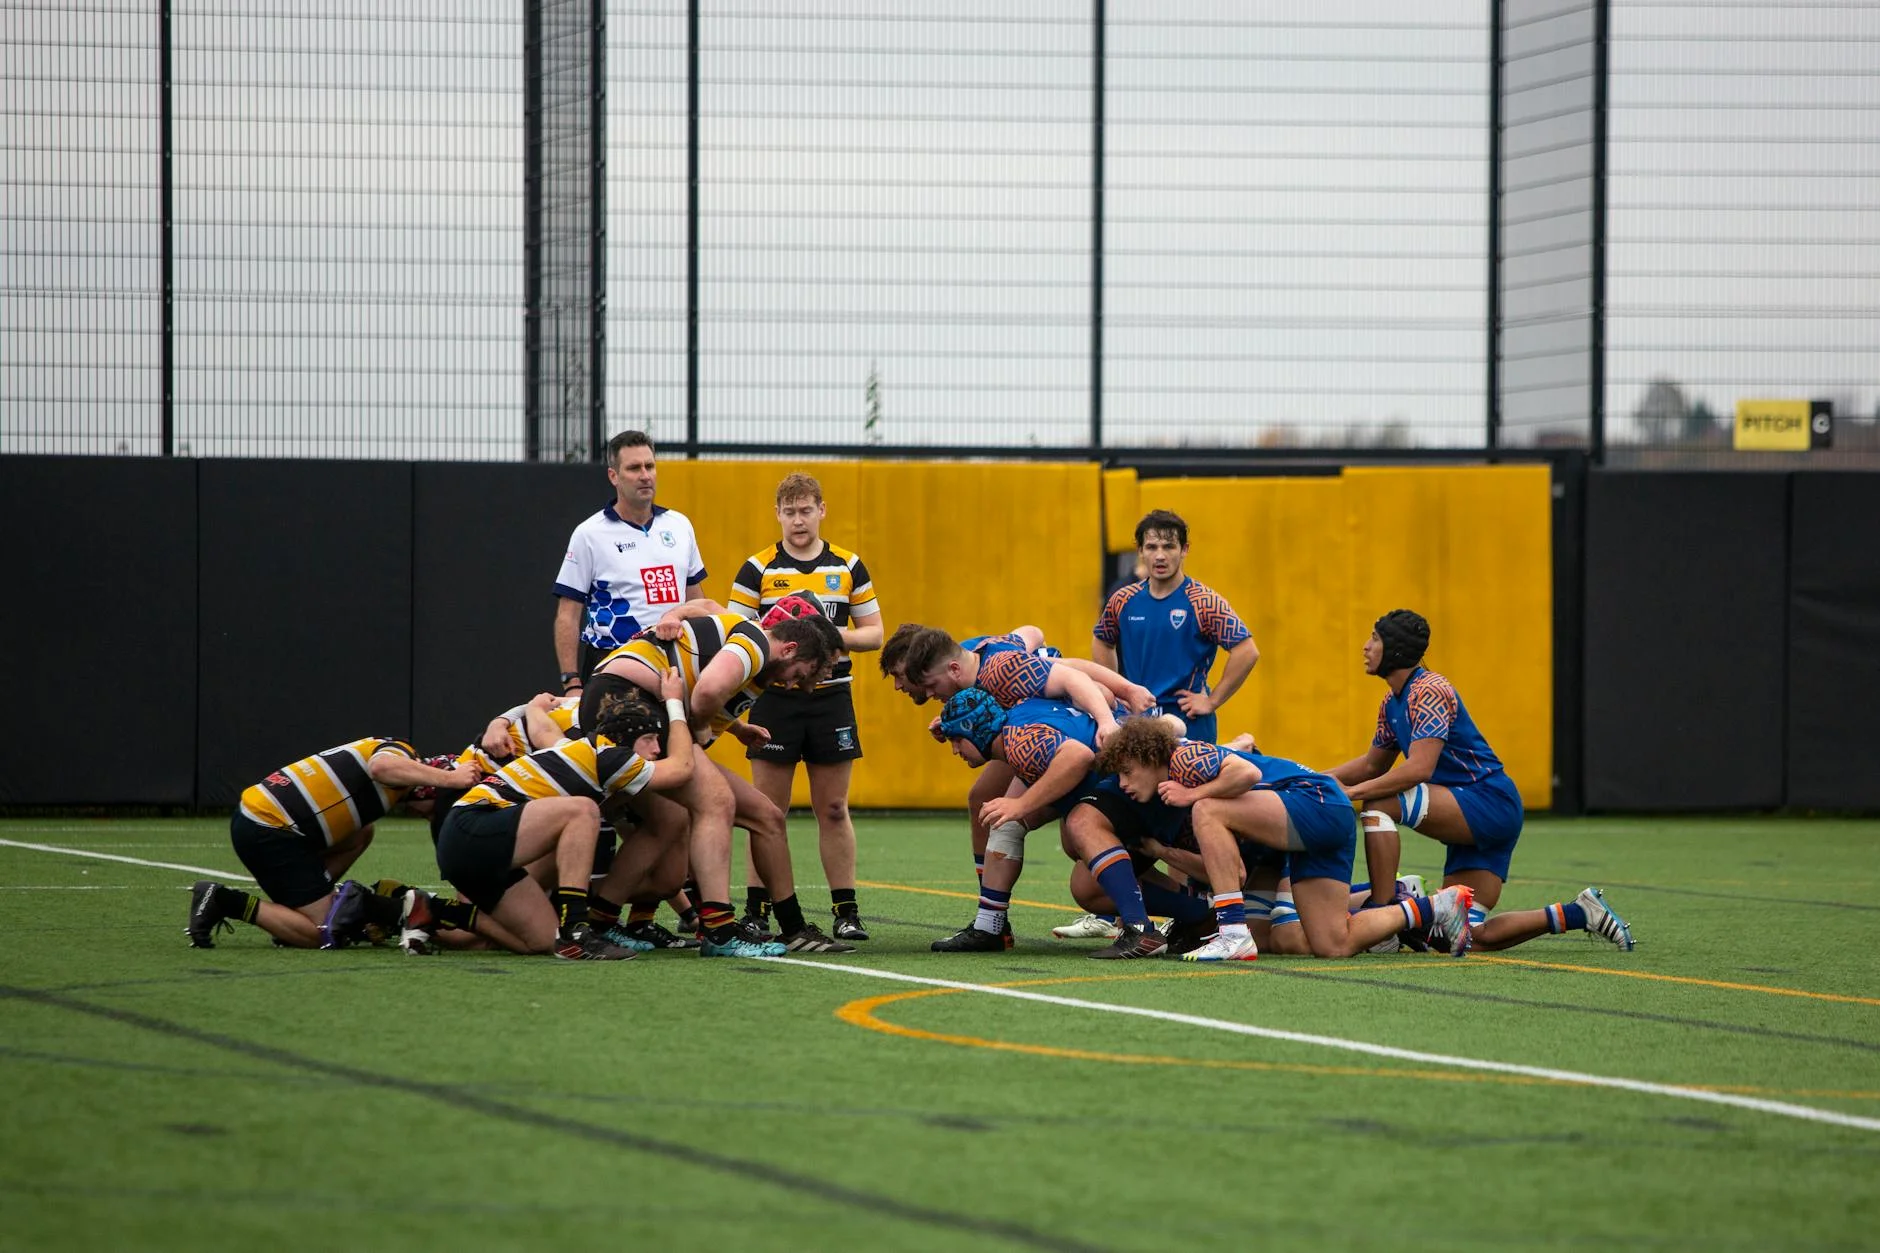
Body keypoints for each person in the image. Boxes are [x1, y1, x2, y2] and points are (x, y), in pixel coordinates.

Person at [1328, 609, 1634, 953]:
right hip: (1469, 808)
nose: (1365, 647)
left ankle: (1382, 918)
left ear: (1395, 649)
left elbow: (1419, 770)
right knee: (1465, 935)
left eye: (1374, 639)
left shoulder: (1429, 690)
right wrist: (1311, 780)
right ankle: (1580, 913)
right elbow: (1372, 765)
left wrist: (1352, 793)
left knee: (1379, 804)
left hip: (1487, 801)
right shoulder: (1392, 702)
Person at [581, 607, 854, 955]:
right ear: (789, 648)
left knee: (760, 816)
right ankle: (719, 929)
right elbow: (707, 693)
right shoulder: (756, 644)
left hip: (629, 697)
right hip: (628, 699)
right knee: (716, 802)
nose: (792, 684)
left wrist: (736, 728)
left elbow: (704, 658)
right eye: (800, 674)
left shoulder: (753, 656)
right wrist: (695, 723)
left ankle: (599, 920)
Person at [1097, 718, 1476, 960]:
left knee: (1207, 810)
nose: (1124, 783)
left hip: (1316, 802)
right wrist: (1163, 851)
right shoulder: (1176, 791)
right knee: (1333, 944)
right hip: (1321, 819)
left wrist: (1192, 795)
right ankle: (1432, 908)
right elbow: (1235, 872)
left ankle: (1232, 934)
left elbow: (1243, 772)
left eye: (1128, 772)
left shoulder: (1183, 758)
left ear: (1149, 758)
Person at [433, 674, 697, 959]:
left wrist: (533, 709)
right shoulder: (611, 757)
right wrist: (674, 702)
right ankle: (577, 930)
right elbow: (682, 767)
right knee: (583, 810)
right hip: (472, 824)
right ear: (625, 739)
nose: (657, 749)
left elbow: (544, 730)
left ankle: (428, 910)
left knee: (539, 941)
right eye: (649, 739)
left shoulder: (575, 749)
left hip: (473, 840)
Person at [726, 473, 883, 941]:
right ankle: (756, 910)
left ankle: (846, 911)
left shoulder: (849, 565)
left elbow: (874, 634)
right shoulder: (757, 569)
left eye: (806, 509)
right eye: (790, 511)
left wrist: (824, 634)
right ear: (778, 515)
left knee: (833, 807)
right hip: (775, 698)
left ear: (822, 510)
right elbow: (737, 630)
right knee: (765, 809)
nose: (799, 520)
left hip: (832, 698)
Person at [932, 688, 1180, 959]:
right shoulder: (1020, 712)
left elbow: (1078, 757)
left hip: (1151, 781)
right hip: (1130, 771)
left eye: (957, 739)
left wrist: (1021, 805)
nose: (955, 750)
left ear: (975, 729)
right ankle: (990, 926)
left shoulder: (1017, 741)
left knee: (1083, 857)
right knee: (1014, 827)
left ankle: (1147, 926)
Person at [186, 737, 481, 951]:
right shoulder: (401, 754)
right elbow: (381, 767)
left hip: (270, 819)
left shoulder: (395, 777)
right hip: (269, 826)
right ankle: (224, 900)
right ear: (432, 786)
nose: (425, 817)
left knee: (363, 833)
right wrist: (451, 779)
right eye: (432, 812)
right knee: (321, 932)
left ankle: (316, 907)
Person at [552, 430, 707, 703]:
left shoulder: (680, 525)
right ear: (614, 476)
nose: (645, 475)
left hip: (672, 665)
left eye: (650, 466)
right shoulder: (589, 534)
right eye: (634, 468)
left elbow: (697, 602)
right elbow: (568, 615)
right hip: (612, 666)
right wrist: (571, 682)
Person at [1092, 510, 1259, 745]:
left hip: (1188, 720)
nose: (1160, 556)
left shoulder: (1204, 602)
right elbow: (1102, 640)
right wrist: (1118, 691)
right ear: (1140, 551)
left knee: (1185, 782)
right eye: (1151, 547)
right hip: (1137, 718)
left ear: (1184, 550)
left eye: (1169, 546)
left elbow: (1247, 651)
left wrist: (1212, 702)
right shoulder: (1123, 599)